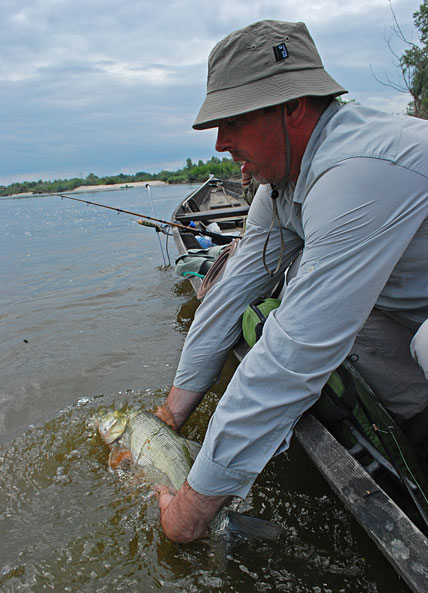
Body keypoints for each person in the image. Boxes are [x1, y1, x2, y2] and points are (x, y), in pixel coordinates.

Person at [155, 20, 428, 542]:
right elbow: (232, 292)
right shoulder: (281, 185)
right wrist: (170, 414)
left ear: (292, 108)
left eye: (233, 119)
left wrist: (187, 514)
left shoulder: (358, 171)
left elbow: (293, 352)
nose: (220, 143)